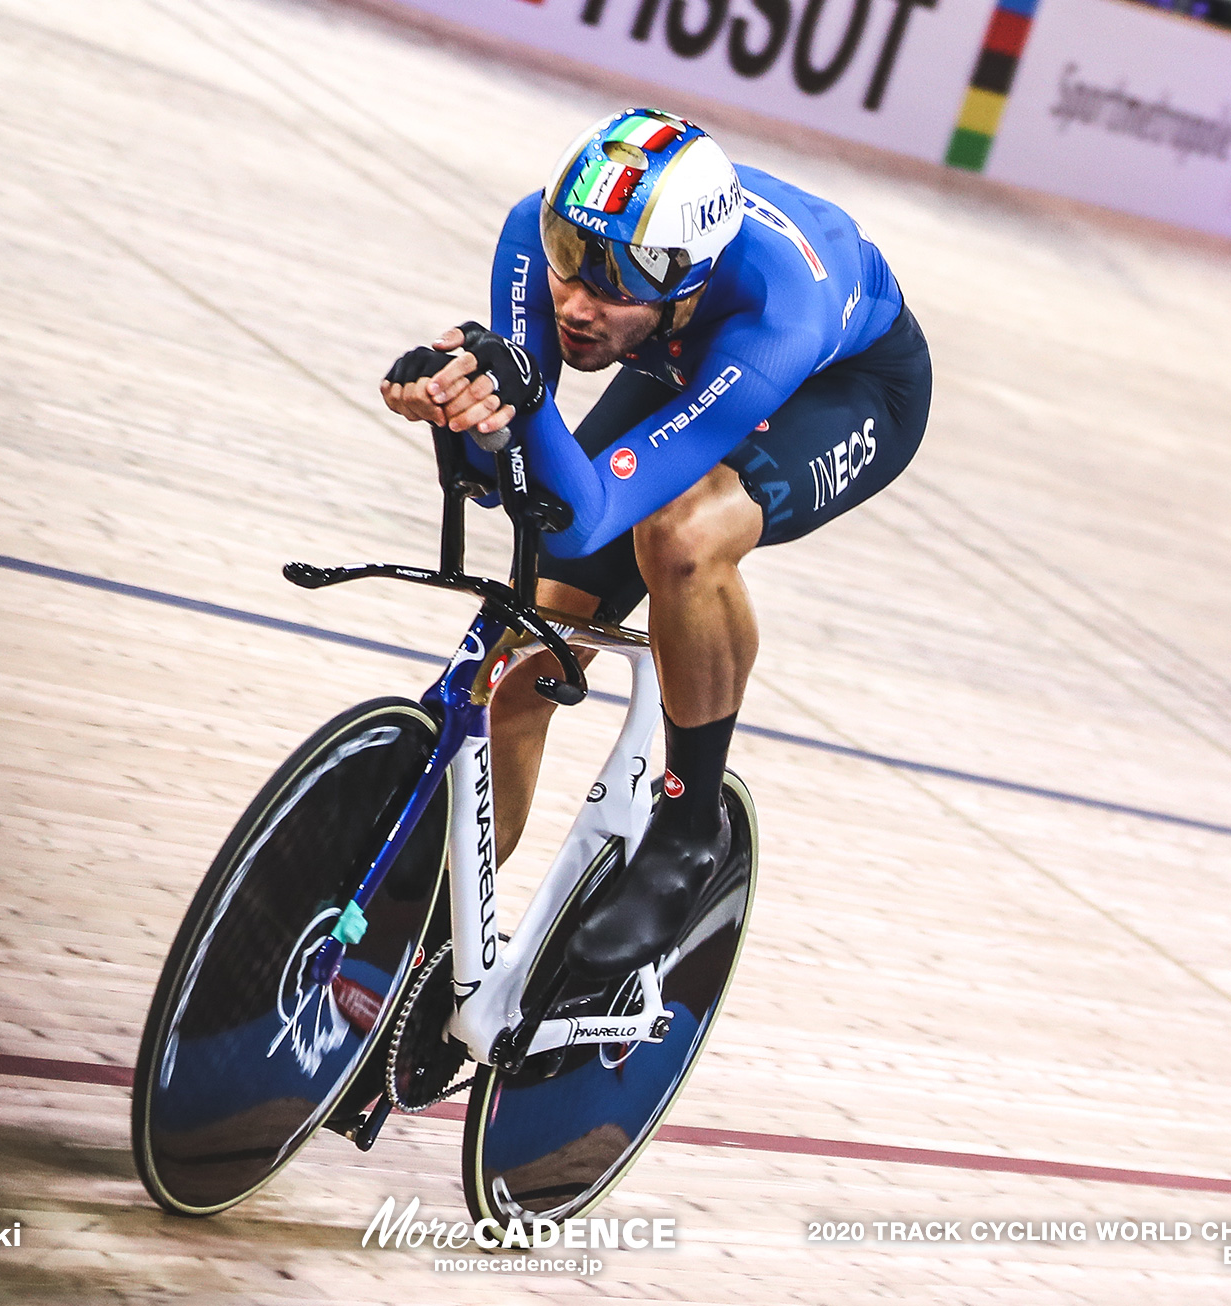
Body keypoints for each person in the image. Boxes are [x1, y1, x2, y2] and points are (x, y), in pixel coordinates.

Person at [380, 108, 931, 978]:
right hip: (680, 358)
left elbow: (594, 512)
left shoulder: (772, 313)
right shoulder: (542, 234)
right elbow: (522, 490)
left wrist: (515, 411)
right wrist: (460, 410)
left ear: (683, 282)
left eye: (611, 289)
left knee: (678, 535)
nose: (575, 304)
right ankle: (417, 959)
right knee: (521, 658)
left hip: (844, 387)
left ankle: (689, 824)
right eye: (570, 263)